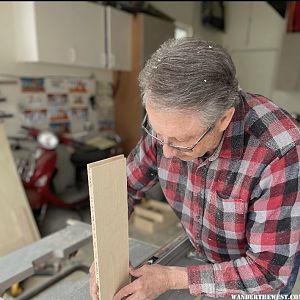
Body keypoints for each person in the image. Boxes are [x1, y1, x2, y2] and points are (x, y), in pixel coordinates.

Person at [89, 37, 300, 300]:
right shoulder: (168, 129)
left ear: (223, 119)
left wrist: (170, 278)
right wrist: (106, 255)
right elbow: (125, 186)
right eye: (157, 133)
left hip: (256, 278)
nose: (165, 152)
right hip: (201, 253)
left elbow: (268, 272)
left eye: (181, 142)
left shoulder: (279, 150)